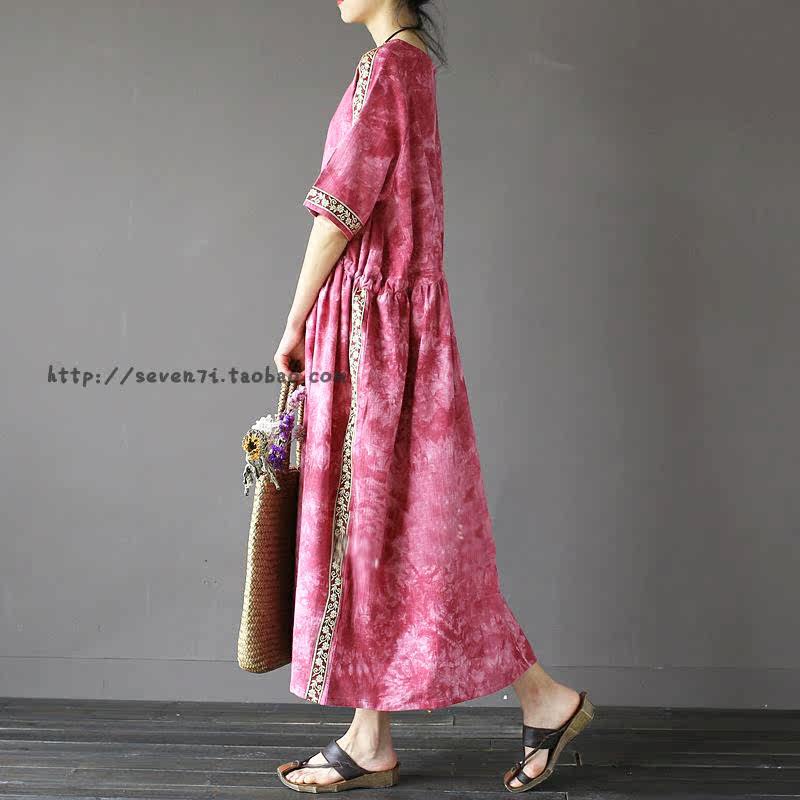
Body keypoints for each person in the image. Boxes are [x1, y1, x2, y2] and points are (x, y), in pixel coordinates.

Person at [272, 0, 594, 792]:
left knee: (387, 532)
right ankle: (374, 734)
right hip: (398, 323)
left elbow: (340, 210)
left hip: (368, 326)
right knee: (394, 531)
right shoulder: (411, 65)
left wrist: (295, 317)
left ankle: (536, 696)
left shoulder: (388, 69)